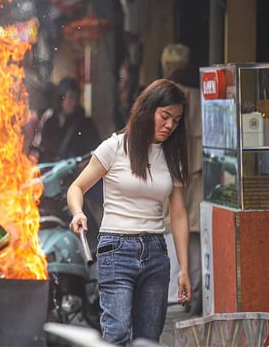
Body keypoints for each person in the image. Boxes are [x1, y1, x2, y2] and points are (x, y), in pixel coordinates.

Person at [66, 79, 192, 344]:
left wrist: (184, 270)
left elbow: (179, 215)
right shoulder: (114, 147)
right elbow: (76, 187)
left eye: (176, 121)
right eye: (165, 116)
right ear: (148, 110)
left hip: (156, 252)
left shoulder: (173, 157)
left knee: (148, 338)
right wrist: (78, 213)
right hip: (116, 249)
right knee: (118, 333)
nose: (170, 125)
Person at [161, 43, 203, 315]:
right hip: (200, 171)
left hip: (176, 170)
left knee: (171, 225)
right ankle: (196, 289)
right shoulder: (201, 93)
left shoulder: (169, 96)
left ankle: (176, 294)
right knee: (196, 230)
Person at [36, 76, 101, 163]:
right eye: (71, 97)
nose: (73, 102)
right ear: (61, 98)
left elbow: (94, 148)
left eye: (76, 98)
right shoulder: (50, 119)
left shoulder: (84, 121)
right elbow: (44, 147)